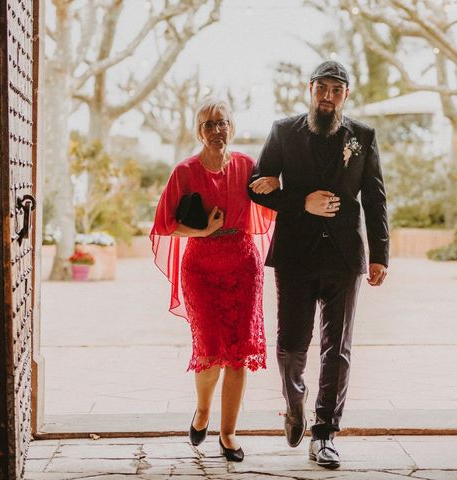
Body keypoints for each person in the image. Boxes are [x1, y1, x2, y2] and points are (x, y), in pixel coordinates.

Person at [248, 60, 389, 469]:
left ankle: (325, 433)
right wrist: (300, 201)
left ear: (346, 95)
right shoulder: (282, 131)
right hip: (295, 256)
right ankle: (294, 399)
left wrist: (380, 254)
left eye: (336, 90)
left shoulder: (362, 136)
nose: (328, 96)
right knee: (291, 342)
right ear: (309, 89)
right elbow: (255, 186)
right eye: (321, 88)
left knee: (337, 348)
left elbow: (375, 197)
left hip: (345, 257)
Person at [150, 98, 278, 462]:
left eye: (221, 122)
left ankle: (228, 433)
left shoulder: (247, 165)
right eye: (208, 124)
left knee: (238, 355)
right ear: (199, 130)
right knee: (209, 352)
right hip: (201, 269)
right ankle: (203, 410)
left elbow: (268, 205)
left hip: (242, 265)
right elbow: (166, 226)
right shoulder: (184, 172)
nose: (216, 130)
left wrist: (274, 184)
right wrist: (205, 230)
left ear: (231, 126)